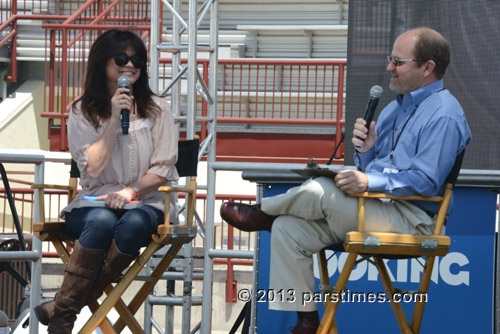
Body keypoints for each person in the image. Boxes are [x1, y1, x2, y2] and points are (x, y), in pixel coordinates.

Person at [220, 27, 471, 334]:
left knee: (321, 189)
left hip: (413, 220)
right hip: (376, 210)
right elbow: (376, 170)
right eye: (390, 59)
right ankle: (307, 321)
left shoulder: (444, 114)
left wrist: (368, 181)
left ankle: (264, 212)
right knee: (288, 229)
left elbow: (426, 181)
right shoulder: (394, 108)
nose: (389, 67)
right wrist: (365, 153)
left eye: (398, 61)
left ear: (427, 67)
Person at [34, 29, 179, 333]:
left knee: (135, 222)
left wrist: (131, 191)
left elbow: (164, 167)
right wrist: (114, 118)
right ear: (102, 63)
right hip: (94, 202)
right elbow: (94, 169)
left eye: (137, 58)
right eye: (122, 58)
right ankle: (66, 312)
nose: (130, 65)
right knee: (101, 219)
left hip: (145, 202)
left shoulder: (158, 108)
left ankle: (62, 311)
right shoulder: (81, 110)